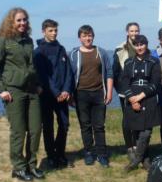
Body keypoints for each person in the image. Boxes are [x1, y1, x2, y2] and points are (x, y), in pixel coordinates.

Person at [0, 7, 43, 182]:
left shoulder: (28, 41)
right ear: (11, 21)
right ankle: (19, 168)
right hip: (14, 91)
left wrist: (38, 84)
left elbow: (31, 66)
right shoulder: (2, 41)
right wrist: (1, 90)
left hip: (32, 91)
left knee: (35, 129)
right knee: (18, 131)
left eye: (25, 20)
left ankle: (31, 165)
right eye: (19, 20)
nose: (22, 23)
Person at [70, 25, 114, 168]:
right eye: (84, 36)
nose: (87, 38)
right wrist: (70, 94)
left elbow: (109, 72)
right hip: (80, 94)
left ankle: (102, 154)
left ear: (93, 36)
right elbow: (69, 76)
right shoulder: (74, 54)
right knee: (85, 126)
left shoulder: (100, 52)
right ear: (80, 38)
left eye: (89, 35)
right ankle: (88, 152)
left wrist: (109, 91)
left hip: (98, 93)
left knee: (99, 126)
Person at [33, 19, 74, 169]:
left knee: (64, 124)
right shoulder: (38, 52)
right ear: (43, 31)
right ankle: (51, 156)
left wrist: (66, 90)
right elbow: (44, 76)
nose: (54, 33)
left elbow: (69, 71)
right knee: (48, 126)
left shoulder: (61, 49)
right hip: (47, 95)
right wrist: (56, 92)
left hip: (62, 95)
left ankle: (60, 153)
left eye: (55, 30)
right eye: (50, 30)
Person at [121, 35, 162, 171]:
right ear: (134, 46)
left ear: (146, 44)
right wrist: (132, 99)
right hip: (132, 98)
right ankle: (145, 159)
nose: (139, 47)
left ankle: (136, 159)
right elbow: (124, 82)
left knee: (146, 132)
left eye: (142, 44)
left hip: (148, 98)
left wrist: (140, 97)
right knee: (137, 132)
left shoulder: (154, 62)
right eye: (137, 45)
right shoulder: (128, 63)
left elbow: (155, 83)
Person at [113, 22, 140, 161]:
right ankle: (129, 147)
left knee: (138, 118)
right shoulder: (119, 49)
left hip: (139, 92)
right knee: (127, 120)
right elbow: (115, 71)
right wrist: (120, 90)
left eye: (136, 31)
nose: (134, 33)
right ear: (127, 32)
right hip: (125, 91)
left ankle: (137, 146)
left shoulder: (142, 46)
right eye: (132, 31)